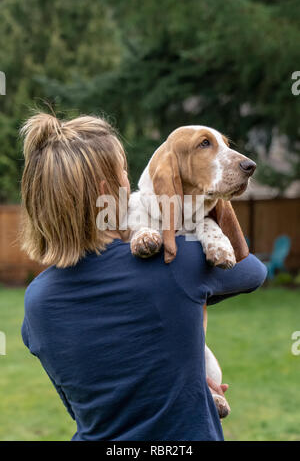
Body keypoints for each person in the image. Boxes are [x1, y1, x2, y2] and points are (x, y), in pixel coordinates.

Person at [20, 112, 267, 441]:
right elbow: (252, 272)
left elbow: (79, 404)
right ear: (109, 192)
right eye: (125, 172)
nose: (134, 180)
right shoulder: (174, 264)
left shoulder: (36, 302)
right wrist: (209, 199)